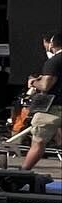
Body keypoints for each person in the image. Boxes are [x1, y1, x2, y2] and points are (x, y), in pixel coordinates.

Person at [19, 32, 61, 171]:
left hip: (53, 108)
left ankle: (23, 172)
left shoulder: (54, 61)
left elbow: (45, 85)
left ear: (52, 43)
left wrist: (32, 82)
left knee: (38, 142)